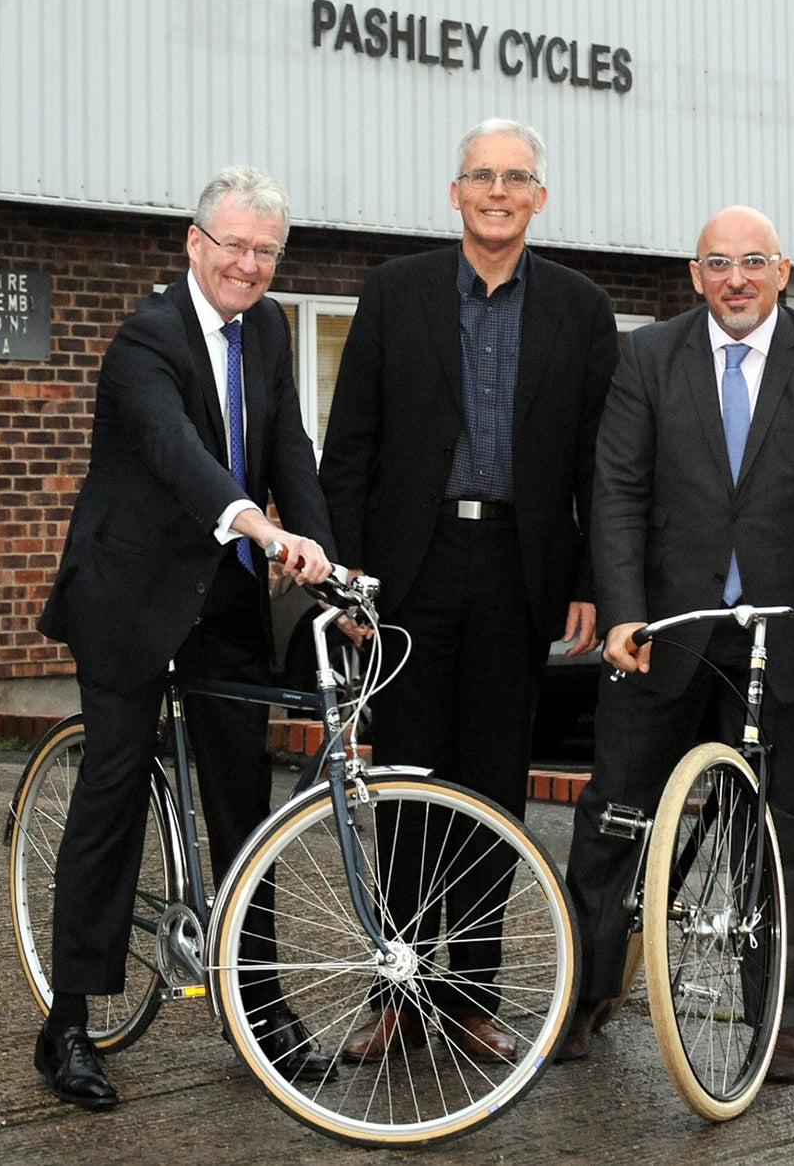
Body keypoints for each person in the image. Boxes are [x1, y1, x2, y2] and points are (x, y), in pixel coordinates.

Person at [561, 205, 794, 1079]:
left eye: (754, 262)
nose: (737, 279)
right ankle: (588, 995)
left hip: (782, 641)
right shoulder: (649, 356)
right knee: (615, 820)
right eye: (720, 263)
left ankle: (774, 1021)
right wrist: (622, 610)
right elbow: (616, 493)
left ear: (783, 271)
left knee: (777, 836)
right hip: (664, 634)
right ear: (695, 274)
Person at [35, 165, 343, 1109]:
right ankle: (70, 1024)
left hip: (221, 603)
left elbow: (289, 443)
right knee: (114, 791)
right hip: (129, 596)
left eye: (265, 251)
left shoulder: (270, 331)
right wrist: (257, 525)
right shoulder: (146, 337)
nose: (249, 266)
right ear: (195, 243)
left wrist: (325, 556)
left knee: (243, 803)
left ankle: (260, 1004)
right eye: (235, 246)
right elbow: (176, 451)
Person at [319, 118, 618, 1062]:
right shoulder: (392, 294)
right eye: (481, 176)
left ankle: (475, 996)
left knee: (494, 786)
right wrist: (347, 581)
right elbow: (351, 448)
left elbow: (597, 464)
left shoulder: (579, 307)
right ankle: (398, 994)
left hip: (521, 572)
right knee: (405, 783)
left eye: (516, 177)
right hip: (410, 569)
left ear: (539, 197)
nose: (497, 191)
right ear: (455, 193)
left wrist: (586, 578)